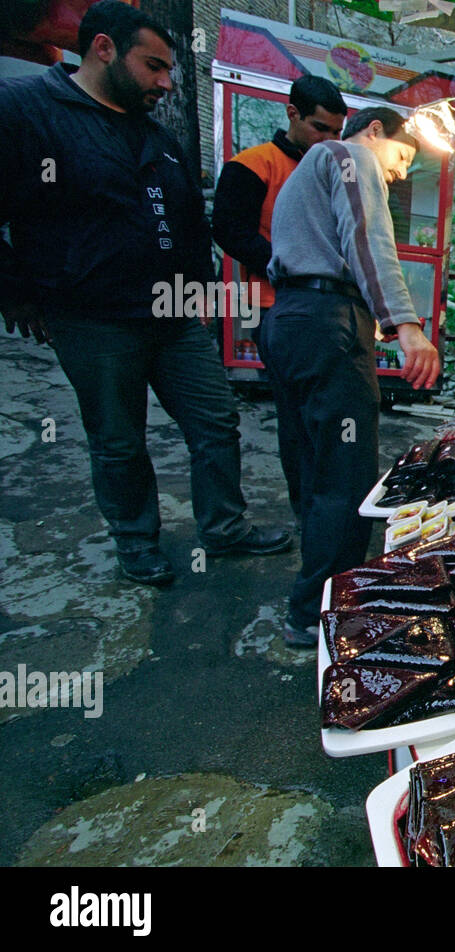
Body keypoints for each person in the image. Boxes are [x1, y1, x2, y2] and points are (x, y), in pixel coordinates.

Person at [0, 1, 291, 586]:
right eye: (153, 66)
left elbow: (186, 223)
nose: (165, 82)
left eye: (170, 71)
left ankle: (224, 528)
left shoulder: (158, 135)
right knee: (117, 438)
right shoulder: (27, 110)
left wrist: (204, 296)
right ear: (104, 48)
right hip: (90, 313)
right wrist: (18, 294)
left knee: (216, 422)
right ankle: (136, 541)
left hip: (175, 311)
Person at [261, 106, 440, 646]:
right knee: (347, 476)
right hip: (327, 324)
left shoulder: (309, 169)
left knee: (311, 465)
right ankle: (331, 612)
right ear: (376, 132)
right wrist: (406, 326)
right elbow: (367, 238)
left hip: (290, 320)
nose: (402, 173)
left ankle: (308, 603)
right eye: (404, 156)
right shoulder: (350, 155)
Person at [212, 73, 347, 521]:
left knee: (330, 421)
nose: (327, 140)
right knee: (298, 423)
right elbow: (229, 231)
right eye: (319, 129)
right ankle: (307, 513)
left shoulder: (334, 168)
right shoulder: (253, 164)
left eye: (337, 133)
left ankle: (333, 512)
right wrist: (288, 263)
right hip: (279, 310)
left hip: (330, 314)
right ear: (292, 114)